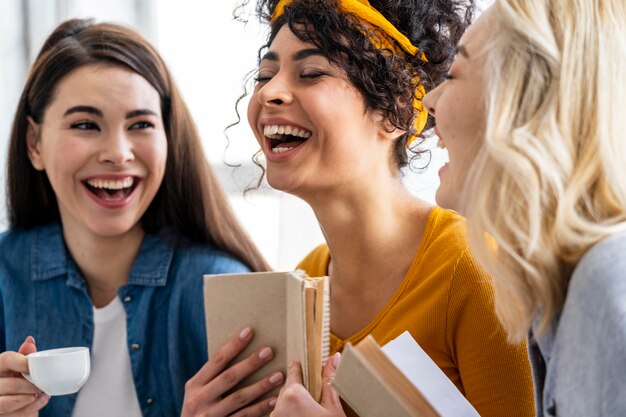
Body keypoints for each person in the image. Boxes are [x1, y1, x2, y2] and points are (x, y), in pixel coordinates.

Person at [244, 0, 536, 416]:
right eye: (264, 76)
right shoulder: (303, 281)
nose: (269, 92)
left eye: (312, 73)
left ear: (396, 110)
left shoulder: (475, 271)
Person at [0, 18, 279, 417]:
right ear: (34, 143)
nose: (118, 152)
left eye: (141, 124)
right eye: (85, 124)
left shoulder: (223, 289)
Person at [422, 0, 626, 416]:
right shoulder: (556, 296)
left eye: (455, 74)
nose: (429, 101)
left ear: (526, 106)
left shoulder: (606, 287)